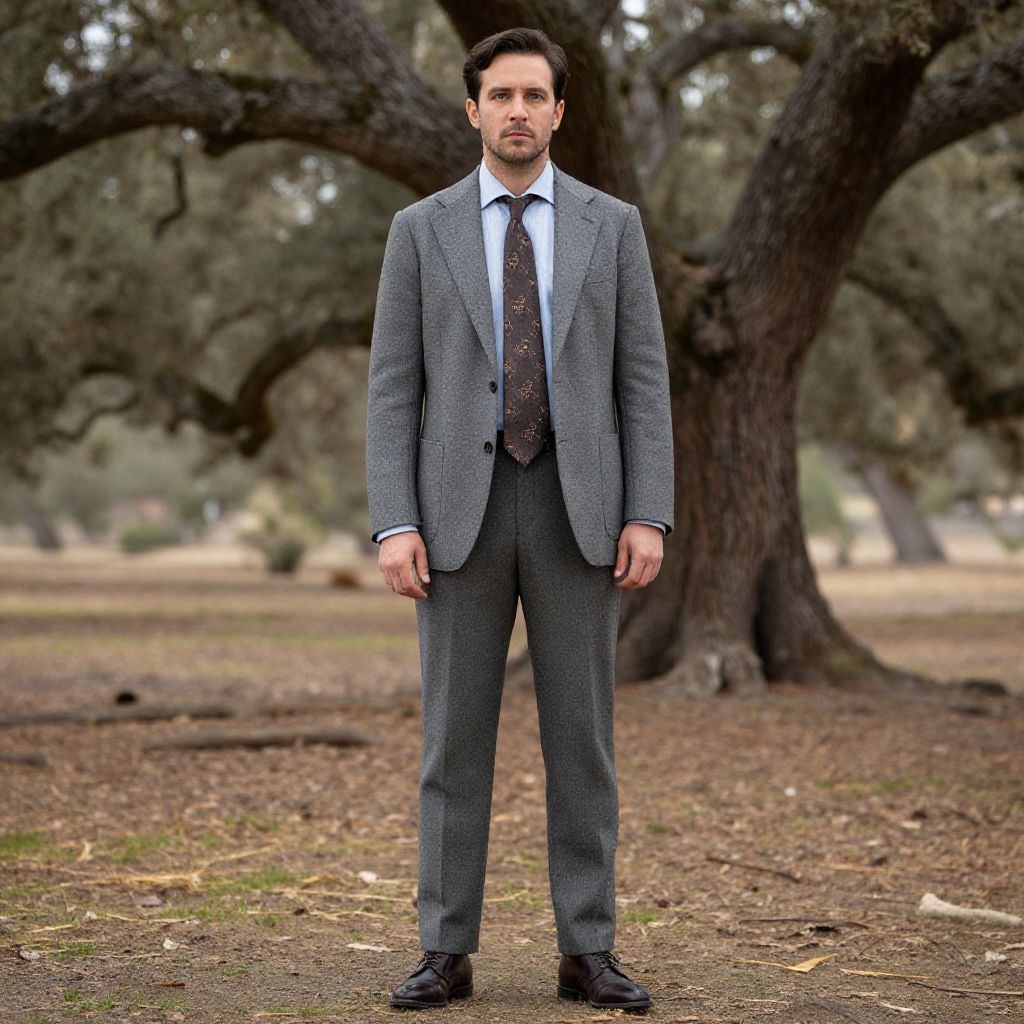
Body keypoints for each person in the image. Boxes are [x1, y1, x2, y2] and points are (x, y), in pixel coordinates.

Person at [365, 25, 674, 1012]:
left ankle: (587, 950)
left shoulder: (610, 225)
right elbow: (390, 392)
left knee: (581, 740)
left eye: (534, 96)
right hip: (453, 519)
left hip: (580, 514)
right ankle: (443, 951)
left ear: (558, 111)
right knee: (453, 743)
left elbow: (642, 382)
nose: (516, 112)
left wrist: (648, 513)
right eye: (499, 95)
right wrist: (393, 521)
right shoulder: (419, 230)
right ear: (472, 109)